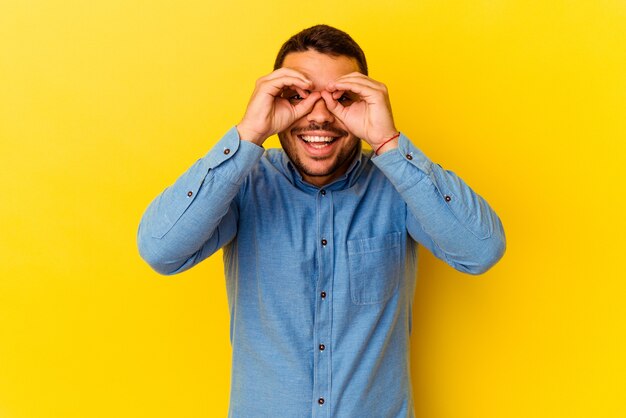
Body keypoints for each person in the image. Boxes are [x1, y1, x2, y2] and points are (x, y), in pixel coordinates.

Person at [137, 24, 505, 417]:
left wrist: (389, 144)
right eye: (297, 96)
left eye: (341, 98)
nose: (320, 116)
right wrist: (248, 135)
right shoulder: (243, 184)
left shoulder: (400, 186)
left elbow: (481, 251)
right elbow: (160, 250)